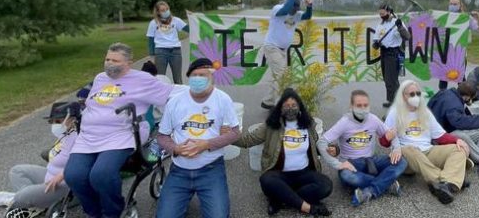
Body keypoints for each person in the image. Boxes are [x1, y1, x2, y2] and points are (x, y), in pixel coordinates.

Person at [64, 43, 175, 218]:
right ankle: (94, 212)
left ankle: (112, 212)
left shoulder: (143, 80)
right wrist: (74, 112)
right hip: (89, 136)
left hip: (122, 134)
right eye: (107, 59)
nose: (109, 63)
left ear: (128, 62)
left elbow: (171, 96)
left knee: (101, 174)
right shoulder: (100, 78)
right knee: (73, 175)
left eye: (115, 60)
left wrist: (200, 101)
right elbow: (90, 103)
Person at [155, 58, 240, 218]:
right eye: (194, 75)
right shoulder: (175, 102)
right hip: (180, 170)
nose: (198, 78)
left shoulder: (223, 99)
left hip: (211, 169)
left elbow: (235, 132)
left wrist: (206, 144)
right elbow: (162, 136)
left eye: (203, 74)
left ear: (212, 77)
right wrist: (176, 148)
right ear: (189, 77)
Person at [235, 88, 332, 216]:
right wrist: (228, 136)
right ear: (280, 107)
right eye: (286, 105)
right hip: (279, 174)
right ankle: (308, 207)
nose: (290, 108)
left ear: (299, 106)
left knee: (326, 185)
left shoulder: (308, 124)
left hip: (304, 173)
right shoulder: (271, 125)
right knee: (266, 180)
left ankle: (281, 198)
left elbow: (317, 148)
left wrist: (333, 149)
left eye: (293, 105)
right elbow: (248, 140)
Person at [383, 80, 469, 205]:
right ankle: (450, 179)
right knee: (409, 149)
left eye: (418, 93)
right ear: (403, 96)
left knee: (458, 149)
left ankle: (447, 185)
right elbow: (384, 142)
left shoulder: (425, 112)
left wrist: (458, 140)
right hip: (407, 158)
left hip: (427, 152)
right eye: (411, 94)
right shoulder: (395, 112)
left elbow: (440, 136)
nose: (416, 97)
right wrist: (387, 137)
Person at [0, 102, 81, 218]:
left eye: (58, 121)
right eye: (51, 121)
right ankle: (32, 204)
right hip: (50, 176)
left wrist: (62, 174)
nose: (54, 125)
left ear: (72, 120)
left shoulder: (80, 137)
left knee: (22, 196)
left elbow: (83, 162)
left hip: (65, 187)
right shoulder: (65, 135)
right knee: (17, 171)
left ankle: (18, 200)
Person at [317, 90, 407, 206]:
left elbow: (391, 134)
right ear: (351, 106)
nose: (363, 109)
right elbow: (321, 142)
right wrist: (337, 164)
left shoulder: (373, 119)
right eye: (359, 105)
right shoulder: (344, 122)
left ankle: (370, 190)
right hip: (351, 164)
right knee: (346, 176)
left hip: (372, 161)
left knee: (402, 161)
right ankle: (387, 184)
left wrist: (396, 149)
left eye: (365, 105)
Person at [427, 81, 479, 177]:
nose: (471, 100)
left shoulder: (448, 94)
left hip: (452, 131)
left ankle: (469, 155)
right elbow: (459, 122)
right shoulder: (453, 104)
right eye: (471, 98)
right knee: (461, 135)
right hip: (443, 136)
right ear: (467, 96)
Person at [261, 0, 313, 109]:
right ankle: (281, 106)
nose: (294, 11)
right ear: (289, 4)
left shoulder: (296, 14)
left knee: (278, 76)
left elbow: (307, 16)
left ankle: (268, 101)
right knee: (282, 76)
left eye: (297, 9)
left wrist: (309, 6)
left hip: (283, 50)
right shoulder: (277, 9)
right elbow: (285, 10)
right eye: (293, 8)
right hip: (272, 47)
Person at [438, 0, 479, 90]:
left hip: (460, 54)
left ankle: (464, 99)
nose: (452, 6)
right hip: (445, 52)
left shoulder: (465, 18)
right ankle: (442, 98)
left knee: (460, 78)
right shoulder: (444, 17)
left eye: (455, 4)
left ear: (460, 5)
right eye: (451, 4)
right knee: (443, 78)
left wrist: (478, 17)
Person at [372, 4, 410, 107]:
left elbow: (407, 37)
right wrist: (376, 44)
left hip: (394, 53)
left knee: (391, 80)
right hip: (384, 53)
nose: (381, 15)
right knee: (387, 79)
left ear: (389, 12)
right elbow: (376, 40)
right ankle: (392, 100)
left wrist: (400, 27)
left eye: (383, 13)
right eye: (380, 14)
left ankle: (397, 103)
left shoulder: (396, 22)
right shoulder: (380, 25)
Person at [147, 0, 189, 84]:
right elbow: (150, 39)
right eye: (162, 10)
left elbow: (189, 29)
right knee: (160, 78)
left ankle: (178, 96)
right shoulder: (153, 23)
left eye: (167, 9)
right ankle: (161, 96)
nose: (165, 11)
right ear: (158, 12)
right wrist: (152, 56)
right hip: (160, 51)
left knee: (178, 78)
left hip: (175, 51)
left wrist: (191, 18)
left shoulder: (176, 20)